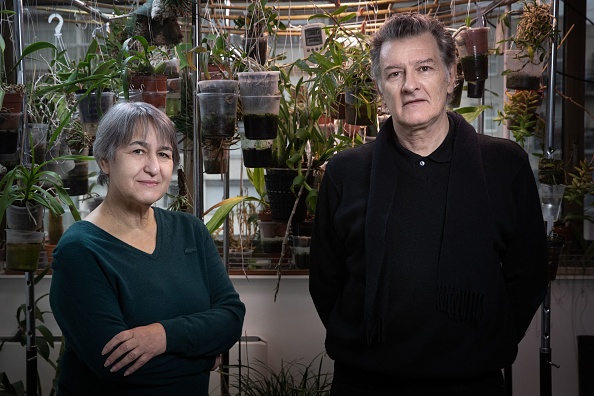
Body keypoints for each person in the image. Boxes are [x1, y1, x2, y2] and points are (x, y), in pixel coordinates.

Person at [309, 12, 548, 396]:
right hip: (365, 384)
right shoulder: (345, 173)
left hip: (473, 385)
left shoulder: (505, 166)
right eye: (394, 73)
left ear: (451, 75)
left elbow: (529, 275)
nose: (410, 86)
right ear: (379, 87)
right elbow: (325, 282)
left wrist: (481, 344)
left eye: (424, 67)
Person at [50, 102, 245, 395]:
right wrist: (204, 355)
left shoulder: (189, 230)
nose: (153, 167)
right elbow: (115, 368)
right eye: (138, 151)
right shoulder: (80, 250)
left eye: (164, 154)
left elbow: (231, 317)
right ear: (105, 160)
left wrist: (162, 336)